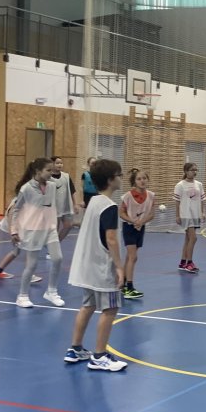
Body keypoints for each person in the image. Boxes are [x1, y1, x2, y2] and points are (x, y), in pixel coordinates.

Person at [66, 158, 128, 372]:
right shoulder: (109, 206)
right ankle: (99, 356)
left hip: (87, 266)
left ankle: (75, 348)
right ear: (110, 180)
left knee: (88, 305)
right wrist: (119, 267)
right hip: (102, 267)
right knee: (110, 308)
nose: (121, 178)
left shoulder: (93, 202)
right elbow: (111, 239)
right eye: (119, 175)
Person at [6, 158, 66, 308]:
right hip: (32, 230)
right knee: (31, 265)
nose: (51, 173)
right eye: (48, 170)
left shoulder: (52, 186)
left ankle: (51, 292)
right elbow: (16, 210)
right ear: (38, 171)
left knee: (58, 258)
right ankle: (22, 296)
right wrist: (13, 230)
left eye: (52, 170)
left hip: (50, 228)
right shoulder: (26, 188)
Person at [118, 168, 156, 300]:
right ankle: (129, 287)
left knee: (130, 257)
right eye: (139, 179)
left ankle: (122, 282)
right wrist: (133, 220)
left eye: (144, 178)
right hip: (129, 227)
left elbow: (152, 214)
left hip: (141, 227)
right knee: (133, 257)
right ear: (134, 181)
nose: (142, 181)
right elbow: (121, 213)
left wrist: (141, 222)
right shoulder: (128, 196)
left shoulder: (151, 196)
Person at [173, 162, 205, 273]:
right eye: (192, 170)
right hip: (186, 215)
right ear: (186, 171)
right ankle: (189, 263)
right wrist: (177, 215)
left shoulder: (199, 184)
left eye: (196, 170)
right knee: (193, 238)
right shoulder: (180, 185)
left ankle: (183, 262)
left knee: (188, 239)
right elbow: (177, 202)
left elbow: (202, 199)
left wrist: (203, 212)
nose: (194, 172)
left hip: (195, 215)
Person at [48, 156, 77, 241]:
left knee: (69, 225)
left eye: (61, 163)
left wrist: (75, 204)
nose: (60, 165)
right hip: (53, 207)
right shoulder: (48, 177)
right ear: (52, 164)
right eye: (57, 163)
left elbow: (72, 190)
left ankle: (57, 242)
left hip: (65, 206)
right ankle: (52, 246)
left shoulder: (66, 176)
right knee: (55, 230)